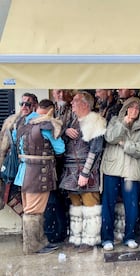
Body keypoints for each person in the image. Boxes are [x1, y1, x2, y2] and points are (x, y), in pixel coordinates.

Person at [14, 99, 65, 254]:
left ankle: (40, 241)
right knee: (34, 211)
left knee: (30, 210)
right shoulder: (46, 126)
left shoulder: (21, 125)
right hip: (38, 174)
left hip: (23, 173)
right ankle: (32, 246)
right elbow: (60, 149)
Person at [60, 91, 106, 252]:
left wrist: (85, 173)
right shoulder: (72, 120)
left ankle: (90, 239)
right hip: (70, 170)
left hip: (87, 171)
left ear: (85, 104)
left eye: (75, 101)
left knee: (90, 207)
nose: (72, 103)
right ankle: (76, 237)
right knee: (76, 206)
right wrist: (65, 131)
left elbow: (95, 150)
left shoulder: (96, 121)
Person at [101, 97, 140, 251]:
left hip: (131, 170)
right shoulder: (115, 120)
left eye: (137, 108)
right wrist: (124, 123)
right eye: (131, 107)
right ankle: (107, 238)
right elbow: (110, 137)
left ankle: (130, 236)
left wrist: (124, 144)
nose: (134, 110)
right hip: (112, 168)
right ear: (126, 108)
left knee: (131, 206)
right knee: (108, 204)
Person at [43, 89, 75, 246]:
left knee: (66, 197)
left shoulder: (73, 109)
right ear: (53, 94)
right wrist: (63, 130)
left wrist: (64, 130)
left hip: (68, 158)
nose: (61, 95)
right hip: (52, 161)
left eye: (63, 92)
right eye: (57, 92)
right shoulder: (50, 110)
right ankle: (58, 231)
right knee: (54, 199)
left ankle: (66, 230)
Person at [0, 93, 38, 212]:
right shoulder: (12, 121)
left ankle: (34, 227)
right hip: (13, 167)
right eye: (22, 103)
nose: (24, 106)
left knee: (32, 203)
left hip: (32, 168)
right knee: (13, 198)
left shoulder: (39, 121)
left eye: (28, 104)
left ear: (34, 106)